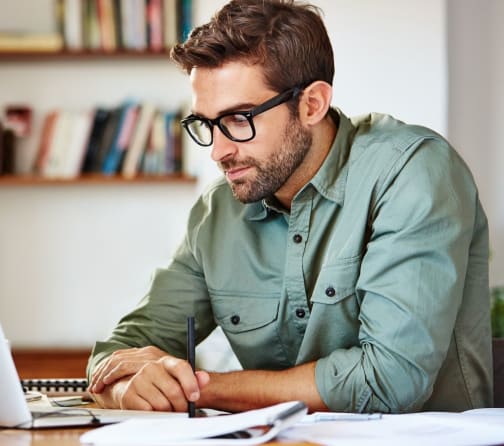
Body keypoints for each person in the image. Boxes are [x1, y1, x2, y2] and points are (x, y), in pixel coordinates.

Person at [86, 0, 492, 414]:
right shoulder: (218, 211)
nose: (218, 152)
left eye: (240, 119)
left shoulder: (412, 171)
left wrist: (198, 389)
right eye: (206, 124)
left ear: (312, 104)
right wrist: (125, 386)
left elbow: (389, 380)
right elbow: (124, 350)